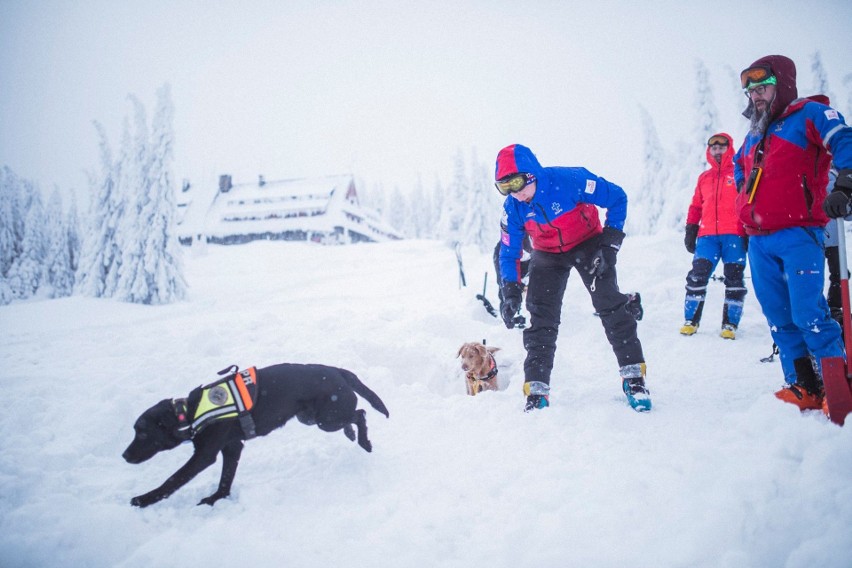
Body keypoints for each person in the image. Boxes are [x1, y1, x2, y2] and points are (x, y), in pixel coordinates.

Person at [734, 54, 852, 411]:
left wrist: (845, 182)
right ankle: (804, 385)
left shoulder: (810, 115)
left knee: (808, 314)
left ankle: (836, 388)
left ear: (781, 86)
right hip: (759, 239)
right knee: (779, 317)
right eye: (751, 92)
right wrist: (744, 212)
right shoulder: (754, 134)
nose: (756, 97)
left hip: (799, 233)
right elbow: (741, 173)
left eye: (763, 88)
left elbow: (844, 139)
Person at [495, 144, 650, 412]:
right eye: (504, 187)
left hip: (588, 244)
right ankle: (536, 390)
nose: (515, 193)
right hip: (547, 254)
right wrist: (509, 290)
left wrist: (610, 246)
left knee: (608, 304)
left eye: (518, 183)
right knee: (541, 318)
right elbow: (509, 252)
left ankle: (634, 377)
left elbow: (617, 198)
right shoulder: (513, 208)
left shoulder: (570, 180)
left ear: (532, 174)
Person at [681, 132, 748, 339]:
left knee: (734, 279)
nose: (717, 151)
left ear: (729, 149)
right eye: (714, 148)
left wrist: (749, 229)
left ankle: (730, 324)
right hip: (707, 236)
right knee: (697, 276)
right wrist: (691, 228)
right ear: (709, 151)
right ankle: (691, 321)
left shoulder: (738, 173)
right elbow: (695, 206)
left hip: (734, 235)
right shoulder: (704, 178)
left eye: (722, 147)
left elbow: (747, 202)